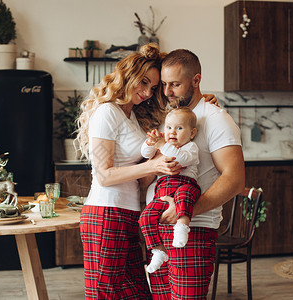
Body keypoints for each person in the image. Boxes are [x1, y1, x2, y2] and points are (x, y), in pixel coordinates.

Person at [76, 43, 179, 299]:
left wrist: (157, 157)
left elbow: (141, 178)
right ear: (127, 75)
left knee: (137, 293)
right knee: (106, 294)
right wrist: (153, 164)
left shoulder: (132, 117)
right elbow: (105, 175)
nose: (146, 92)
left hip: (129, 215)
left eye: (153, 88)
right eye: (143, 82)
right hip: (105, 214)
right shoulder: (106, 112)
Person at [146, 49, 245, 299]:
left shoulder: (216, 119)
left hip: (195, 230)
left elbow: (234, 180)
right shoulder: (170, 119)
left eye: (175, 84)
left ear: (196, 80)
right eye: (165, 84)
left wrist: (184, 212)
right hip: (159, 231)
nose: (168, 91)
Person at [138, 107, 201, 274]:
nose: (172, 132)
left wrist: (162, 145)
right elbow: (145, 153)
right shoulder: (163, 147)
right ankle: (158, 250)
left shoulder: (190, 147)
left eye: (179, 128)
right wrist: (150, 143)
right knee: (145, 217)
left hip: (186, 185)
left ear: (192, 133)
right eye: (168, 127)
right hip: (163, 191)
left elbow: (180, 159)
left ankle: (182, 227)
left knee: (184, 195)